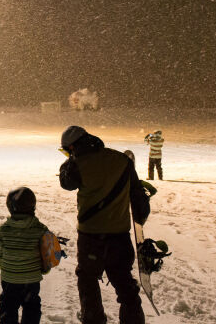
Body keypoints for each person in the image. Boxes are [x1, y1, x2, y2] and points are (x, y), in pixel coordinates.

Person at [59, 126, 145, 324]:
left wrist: (69, 160)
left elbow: (66, 184)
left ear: (72, 147)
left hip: (91, 236)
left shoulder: (77, 164)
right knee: (124, 282)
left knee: (87, 279)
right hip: (120, 236)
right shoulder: (122, 160)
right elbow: (139, 199)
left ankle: (93, 318)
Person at [0, 187, 51, 324]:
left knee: (8, 306)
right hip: (31, 280)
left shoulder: (3, 230)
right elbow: (48, 255)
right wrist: (44, 270)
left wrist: (8, 268)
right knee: (31, 307)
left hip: (10, 279)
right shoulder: (41, 230)